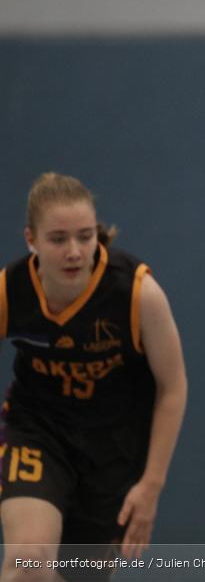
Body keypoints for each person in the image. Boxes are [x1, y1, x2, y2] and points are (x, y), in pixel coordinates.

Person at [0, 172, 188, 581]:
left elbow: (173, 387)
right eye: (58, 239)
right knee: (27, 564)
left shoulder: (136, 293)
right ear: (30, 239)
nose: (74, 251)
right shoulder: (10, 290)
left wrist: (151, 485)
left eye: (85, 237)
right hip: (38, 432)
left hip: (113, 450)